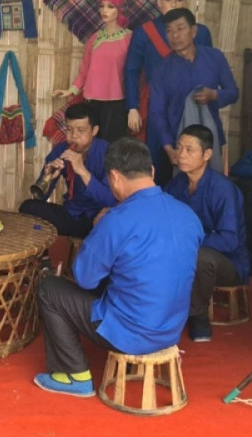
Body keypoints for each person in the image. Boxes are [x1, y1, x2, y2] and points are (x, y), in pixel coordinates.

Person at [33, 137, 203, 396]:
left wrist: (97, 230)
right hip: (171, 329)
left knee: (49, 288)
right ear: (152, 171)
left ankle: (73, 374)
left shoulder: (117, 220)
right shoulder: (188, 215)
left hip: (131, 333)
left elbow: (84, 278)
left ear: (113, 177)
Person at [164, 125, 249, 343]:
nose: (181, 154)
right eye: (179, 148)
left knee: (200, 257)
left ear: (207, 154)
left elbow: (230, 240)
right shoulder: (176, 185)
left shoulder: (222, 189)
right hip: (184, 254)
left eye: (189, 149)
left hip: (227, 263)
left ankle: (198, 315)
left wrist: (188, 242)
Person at [123, 0, 211, 165]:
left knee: (191, 160)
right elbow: (131, 71)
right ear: (159, 2)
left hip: (190, 104)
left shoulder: (200, 33)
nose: (174, 4)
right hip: (157, 105)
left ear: (185, 2)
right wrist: (132, 108)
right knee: (155, 159)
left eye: (179, 0)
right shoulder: (144, 32)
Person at [148, 8, 238, 184]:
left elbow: (233, 92)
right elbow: (157, 113)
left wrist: (214, 95)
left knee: (211, 187)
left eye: (180, 28)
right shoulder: (162, 70)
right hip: (176, 143)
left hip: (209, 141)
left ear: (194, 31)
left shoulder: (214, 58)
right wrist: (169, 149)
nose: (175, 36)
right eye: (169, 30)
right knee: (178, 190)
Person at [19, 102, 116, 239]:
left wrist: (83, 171)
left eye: (81, 130)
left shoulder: (109, 153)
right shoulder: (61, 150)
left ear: (94, 131)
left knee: (111, 217)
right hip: (72, 214)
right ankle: (46, 252)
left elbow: (110, 200)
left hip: (98, 217)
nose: (74, 135)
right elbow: (40, 197)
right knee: (28, 207)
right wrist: (47, 178)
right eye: (69, 129)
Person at [54, 0, 131, 143]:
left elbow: (134, 72)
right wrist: (71, 89)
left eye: (110, 6)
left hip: (117, 101)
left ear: (119, 9)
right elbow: (84, 70)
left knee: (112, 145)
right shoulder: (94, 38)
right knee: (90, 144)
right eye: (102, 6)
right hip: (92, 100)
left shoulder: (129, 38)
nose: (104, 10)